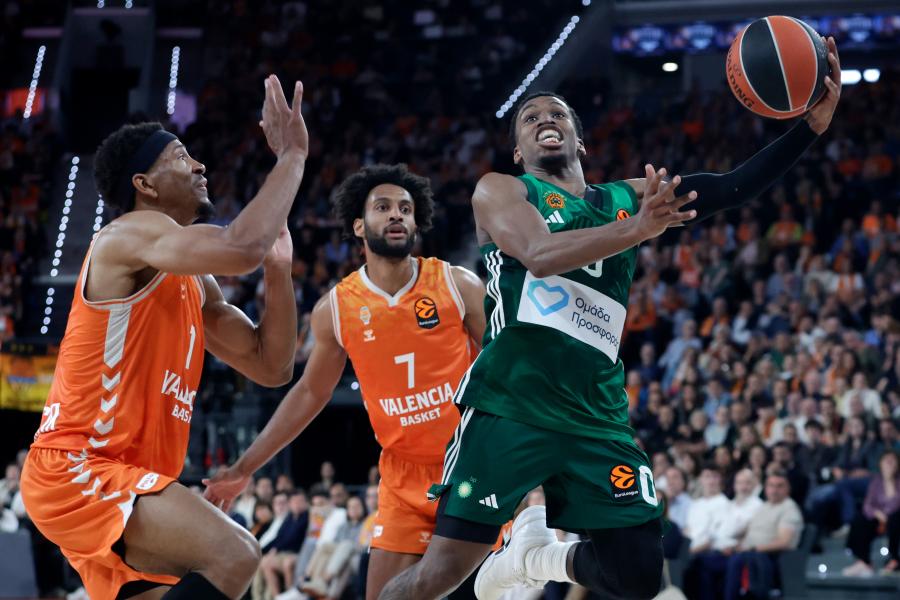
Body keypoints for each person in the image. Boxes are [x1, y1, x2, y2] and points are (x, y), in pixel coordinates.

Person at [378, 37, 842, 600]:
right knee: (439, 575)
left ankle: (538, 557)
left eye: (557, 115)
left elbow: (730, 189)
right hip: (511, 403)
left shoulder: (630, 197)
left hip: (596, 413)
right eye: (530, 118)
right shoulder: (502, 189)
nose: (545, 120)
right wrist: (638, 229)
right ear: (518, 151)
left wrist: (810, 129)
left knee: (638, 576)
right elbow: (540, 254)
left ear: (581, 140)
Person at [19, 74, 308, 600]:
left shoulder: (196, 283)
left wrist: (277, 272)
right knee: (236, 554)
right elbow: (241, 246)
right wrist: (292, 156)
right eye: (180, 157)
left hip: (130, 479)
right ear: (144, 185)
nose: (199, 166)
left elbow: (272, 366)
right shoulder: (126, 235)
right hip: (81, 465)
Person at [203, 164, 487, 599]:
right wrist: (244, 467)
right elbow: (309, 393)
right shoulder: (336, 308)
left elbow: (506, 364)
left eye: (405, 208)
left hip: (469, 462)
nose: (396, 215)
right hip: (401, 476)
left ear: (417, 223)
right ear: (359, 225)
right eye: (383, 207)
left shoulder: (456, 283)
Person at [723, 472, 803, 600]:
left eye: (779, 486)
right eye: (771, 485)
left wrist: (753, 548)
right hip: (748, 552)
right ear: (765, 488)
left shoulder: (789, 509)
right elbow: (749, 533)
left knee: (737, 561)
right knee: (708, 560)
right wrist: (736, 547)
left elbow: (785, 542)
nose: (774, 490)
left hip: (769, 557)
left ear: (788, 489)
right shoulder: (764, 507)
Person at [842, 450, 900, 576]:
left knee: (895, 518)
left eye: (892, 461)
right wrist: (878, 514)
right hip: (879, 519)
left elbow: (897, 504)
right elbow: (868, 505)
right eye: (886, 461)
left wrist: (889, 481)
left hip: (895, 518)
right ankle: (864, 561)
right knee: (860, 520)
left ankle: (894, 559)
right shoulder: (876, 482)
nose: (889, 464)